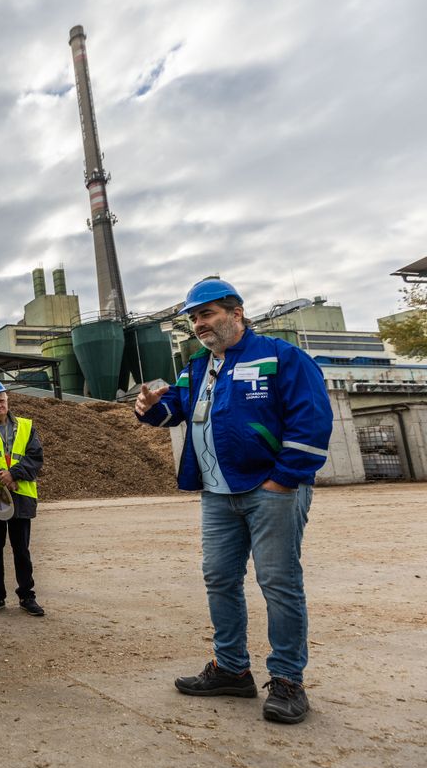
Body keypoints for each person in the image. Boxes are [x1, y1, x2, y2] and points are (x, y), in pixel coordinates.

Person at [135, 279, 331, 725]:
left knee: (278, 583)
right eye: (194, 318)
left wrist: (282, 481)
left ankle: (287, 680)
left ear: (236, 313)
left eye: (207, 315)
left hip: (271, 492)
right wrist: (147, 407)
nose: (199, 324)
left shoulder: (281, 358)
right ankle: (231, 668)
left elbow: (312, 420)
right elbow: (176, 413)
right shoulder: (197, 367)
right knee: (219, 579)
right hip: (218, 495)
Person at [0, 380, 45, 617]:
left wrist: (14, 474)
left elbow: (35, 457)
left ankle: (26, 595)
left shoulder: (26, 426)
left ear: (7, 399)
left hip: (20, 494)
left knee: (21, 549)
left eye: (1, 400)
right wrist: (1, 476)